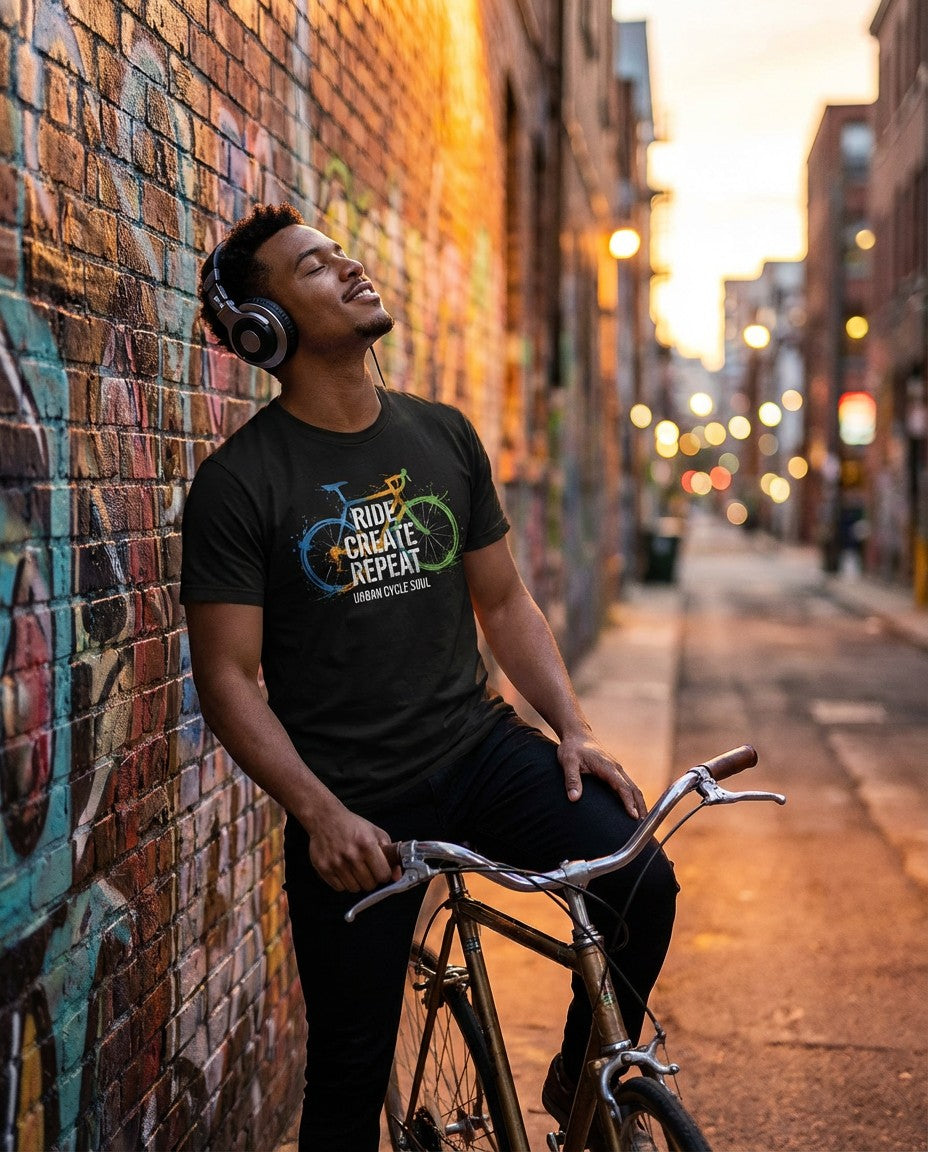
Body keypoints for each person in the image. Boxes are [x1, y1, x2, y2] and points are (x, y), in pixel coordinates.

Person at [180, 202, 678, 1150]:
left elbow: (505, 602)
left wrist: (570, 726)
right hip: (353, 801)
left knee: (641, 880)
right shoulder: (241, 483)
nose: (350, 268)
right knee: (345, 1080)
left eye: (342, 254)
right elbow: (230, 679)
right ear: (266, 328)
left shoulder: (440, 435)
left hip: (478, 749)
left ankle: (582, 1073)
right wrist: (317, 814)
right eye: (315, 268)